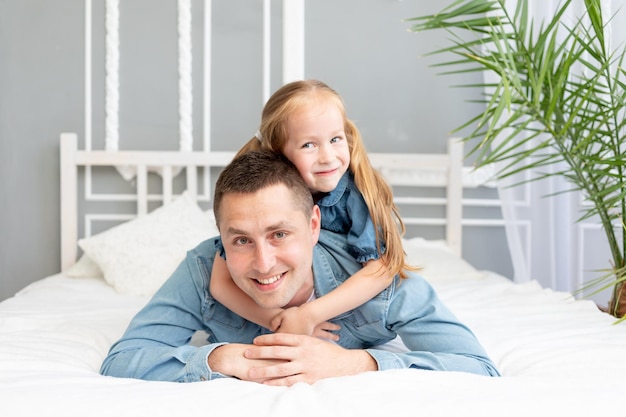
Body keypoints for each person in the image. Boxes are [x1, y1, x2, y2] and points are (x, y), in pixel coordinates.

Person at [100, 150, 500, 385]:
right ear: (220, 236)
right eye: (240, 239)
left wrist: (354, 364)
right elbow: (123, 359)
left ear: (313, 225)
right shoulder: (204, 267)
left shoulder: (378, 279)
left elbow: (479, 369)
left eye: (279, 234)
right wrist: (219, 359)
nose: (263, 263)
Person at [210, 79, 417, 337]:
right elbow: (220, 284)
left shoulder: (355, 194)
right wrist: (280, 320)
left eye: (335, 139)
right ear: (278, 152)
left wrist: (310, 315)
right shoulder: (250, 202)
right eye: (309, 144)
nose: (328, 156)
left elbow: (383, 269)